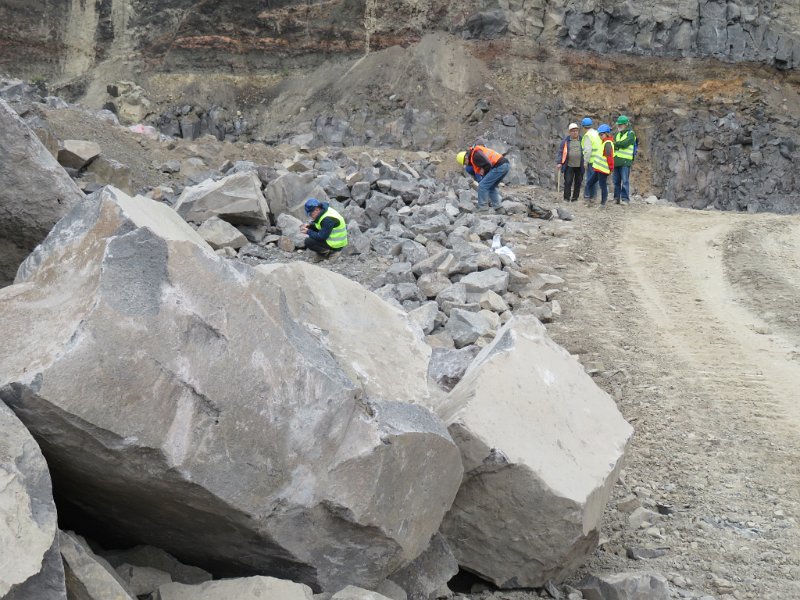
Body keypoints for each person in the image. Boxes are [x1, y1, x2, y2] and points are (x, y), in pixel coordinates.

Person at [456, 144, 510, 212]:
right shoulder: (475, 154)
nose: (466, 164)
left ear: (466, 158)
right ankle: (499, 208)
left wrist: (484, 172)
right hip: (504, 165)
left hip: (500, 166)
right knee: (491, 187)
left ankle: (483, 208)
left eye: (464, 163)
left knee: (482, 185)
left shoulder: (475, 155)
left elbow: (488, 164)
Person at [587, 124, 615, 207]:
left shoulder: (608, 143)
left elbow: (609, 157)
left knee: (602, 186)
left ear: (607, 134)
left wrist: (611, 169)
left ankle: (603, 204)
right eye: (599, 134)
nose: (600, 136)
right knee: (589, 183)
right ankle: (591, 200)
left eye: (601, 134)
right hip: (598, 169)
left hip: (603, 170)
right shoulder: (604, 142)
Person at [557, 122, 584, 202]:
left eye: (576, 131)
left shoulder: (582, 140)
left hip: (580, 165)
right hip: (569, 165)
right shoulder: (565, 141)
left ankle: (575, 198)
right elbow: (561, 152)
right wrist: (559, 162)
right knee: (568, 181)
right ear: (569, 132)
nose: (575, 132)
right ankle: (566, 198)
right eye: (573, 131)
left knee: (578, 182)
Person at [613, 115, 636, 204]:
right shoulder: (617, 134)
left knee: (625, 181)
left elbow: (625, 144)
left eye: (621, 124)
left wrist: (617, 144)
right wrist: (618, 144)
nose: (619, 126)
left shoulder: (631, 134)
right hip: (617, 161)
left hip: (625, 162)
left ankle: (625, 199)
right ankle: (616, 198)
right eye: (618, 124)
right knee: (616, 181)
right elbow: (613, 143)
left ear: (626, 124)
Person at [581, 117, 600, 203]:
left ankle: (587, 196)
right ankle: (594, 197)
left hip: (591, 161)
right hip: (598, 160)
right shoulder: (597, 133)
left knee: (589, 179)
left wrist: (585, 162)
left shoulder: (588, 135)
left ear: (584, 127)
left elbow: (588, 150)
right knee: (595, 179)